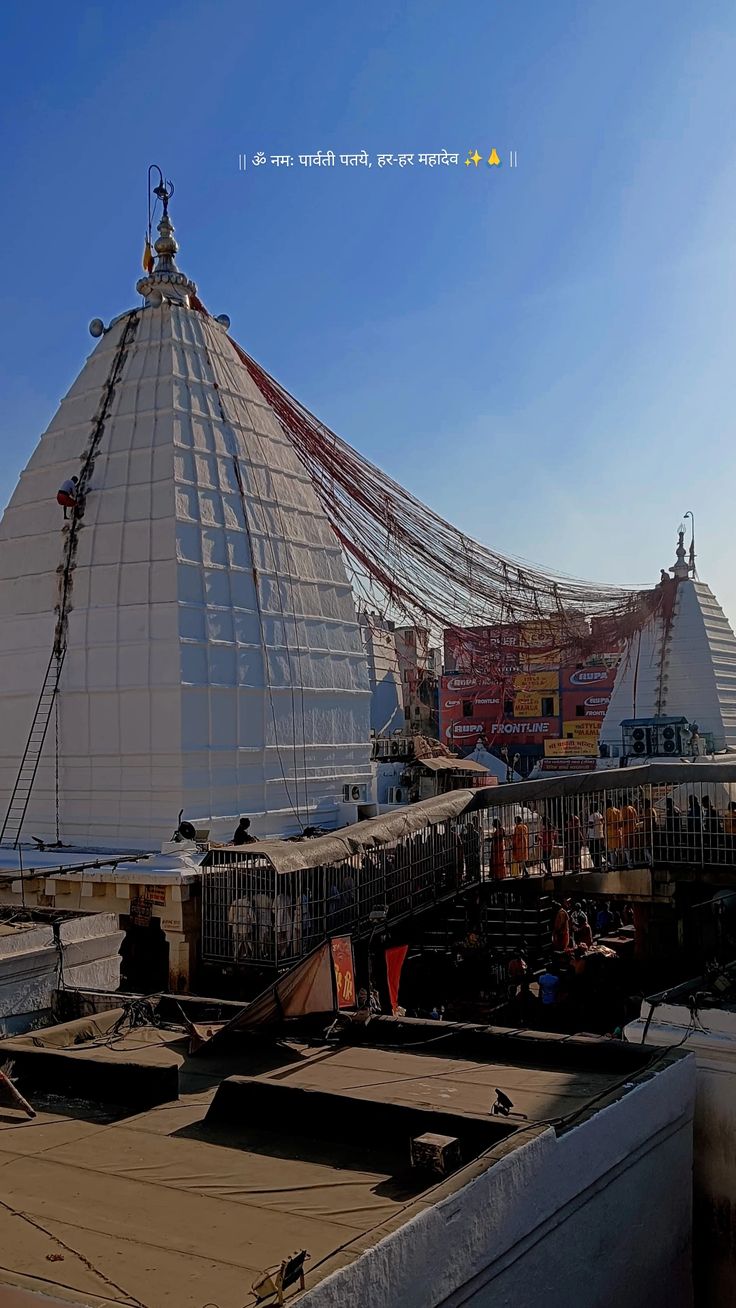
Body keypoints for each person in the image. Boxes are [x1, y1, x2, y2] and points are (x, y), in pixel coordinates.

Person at [605, 802, 622, 868]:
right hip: (617, 832)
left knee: (611, 850)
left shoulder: (608, 811)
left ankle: (613, 864)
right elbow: (620, 822)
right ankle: (617, 863)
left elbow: (606, 822)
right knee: (616, 849)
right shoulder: (618, 810)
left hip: (610, 832)